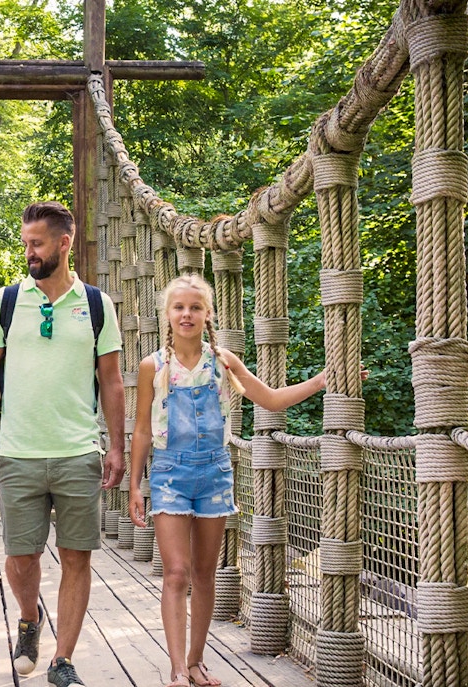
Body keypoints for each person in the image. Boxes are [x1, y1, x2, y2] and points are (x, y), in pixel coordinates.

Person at [128, 274, 342, 687]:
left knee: (206, 572)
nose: (186, 314)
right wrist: (136, 485)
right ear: (167, 315)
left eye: (194, 307)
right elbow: (140, 430)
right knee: (176, 573)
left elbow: (272, 399)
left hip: (215, 473)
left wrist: (319, 382)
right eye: (178, 307)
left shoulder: (223, 362)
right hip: (170, 472)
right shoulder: (153, 366)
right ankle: (175, 668)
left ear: (207, 313)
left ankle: (195, 662)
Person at [0, 201, 126, 687]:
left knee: (77, 556)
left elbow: (113, 383)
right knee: (21, 557)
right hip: (18, 452)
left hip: (78, 451)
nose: (29, 253)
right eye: (25, 243)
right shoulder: (5, 302)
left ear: (65, 243)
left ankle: (62, 659)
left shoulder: (98, 306)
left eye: (36, 243)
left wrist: (117, 447)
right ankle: (29, 619)